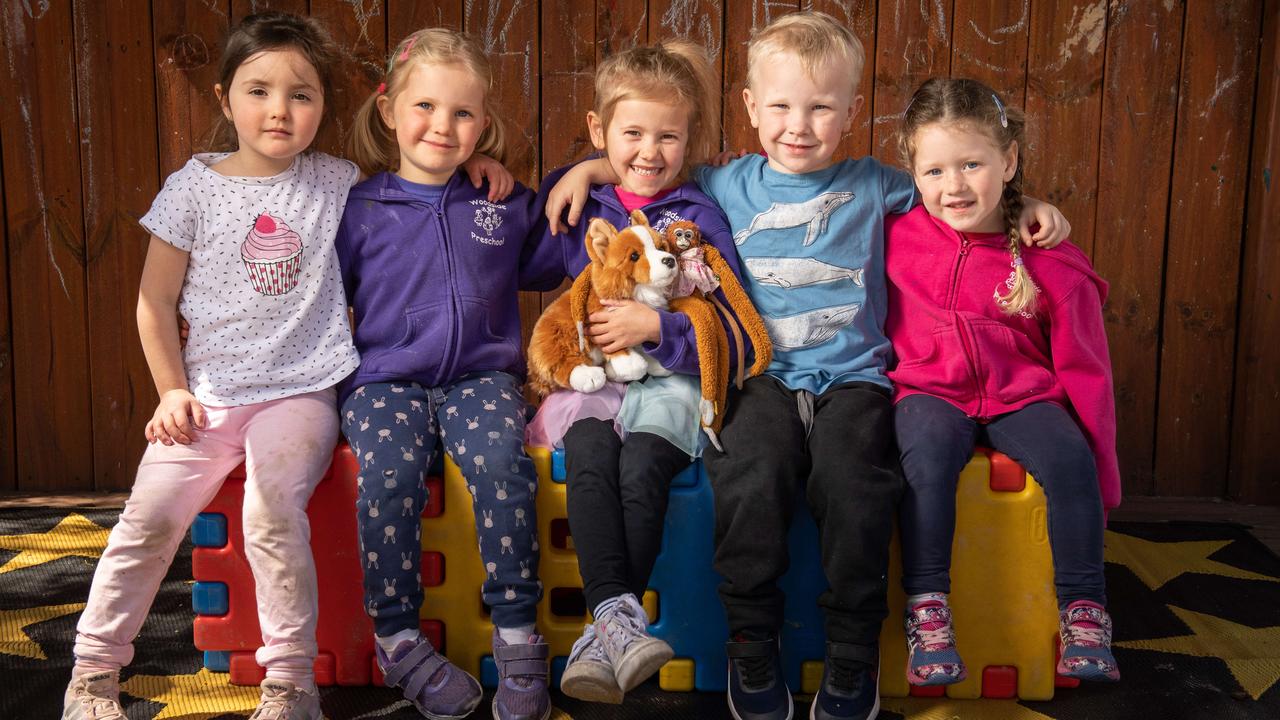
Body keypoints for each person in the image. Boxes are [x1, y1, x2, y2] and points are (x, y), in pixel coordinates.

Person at [547, 11, 1072, 720]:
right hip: (758, 377)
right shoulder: (724, 184)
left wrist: (1023, 203)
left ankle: (853, 655)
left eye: (821, 107)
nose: (800, 125)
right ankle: (751, 644)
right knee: (751, 478)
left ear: (852, 111)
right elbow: (647, 164)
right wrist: (589, 165)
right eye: (783, 107)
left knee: (856, 488)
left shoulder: (879, 184)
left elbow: (957, 186)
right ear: (751, 109)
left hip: (855, 381)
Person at [64, 13, 358, 720]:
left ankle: (290, 684)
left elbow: (421, 174)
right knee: (146, 520)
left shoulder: (337, 181)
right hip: (208, 396)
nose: (279, 110)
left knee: (269, 512)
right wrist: (170, 391)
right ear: (225, 100)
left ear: (322, 107)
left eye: (301, 95)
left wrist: (482, 166)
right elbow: (153, 302)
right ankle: (93, 674)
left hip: (300, 392)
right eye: (259, 91)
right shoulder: (192, 189)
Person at [522, 40, 762, 705]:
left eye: (668, 136)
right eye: (631, 134)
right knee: (592, 454)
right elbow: (527, 260)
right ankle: (618, 619)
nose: (649, 151)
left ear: (692, 140)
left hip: (671, 384)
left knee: (643, 466)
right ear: (601, 131)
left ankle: (605, 628)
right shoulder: (586, 207)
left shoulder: (701, 220)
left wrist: (660, 330)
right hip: (595, 383)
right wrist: (578, 174)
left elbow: (733, 327)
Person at [338, 27, 551, 720]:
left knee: (500, 463)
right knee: (391, 474)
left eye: (463, 113)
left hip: (481, 379)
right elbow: (309, 299)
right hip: (383, 382)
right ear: (388, 110)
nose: (443, 125)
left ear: (483, 124)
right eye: (425, 106)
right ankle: (398, 638)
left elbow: (574, 239)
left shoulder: (501, 202)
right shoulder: (357, 209)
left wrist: (589, 173)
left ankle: (519, 637)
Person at [886, 77, 1120, 688]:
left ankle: (1083, 611)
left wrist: (1102, 469)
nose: (954, 186)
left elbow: (1087, 373)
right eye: (933, 170)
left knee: (1070, 459)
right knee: (927, 461)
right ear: (911, 172)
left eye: (972, 164)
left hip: (1022, 396)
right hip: (929, 392)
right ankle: (928, 610)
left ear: (1009, 161)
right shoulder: (894, 236)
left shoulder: (1049, 259)